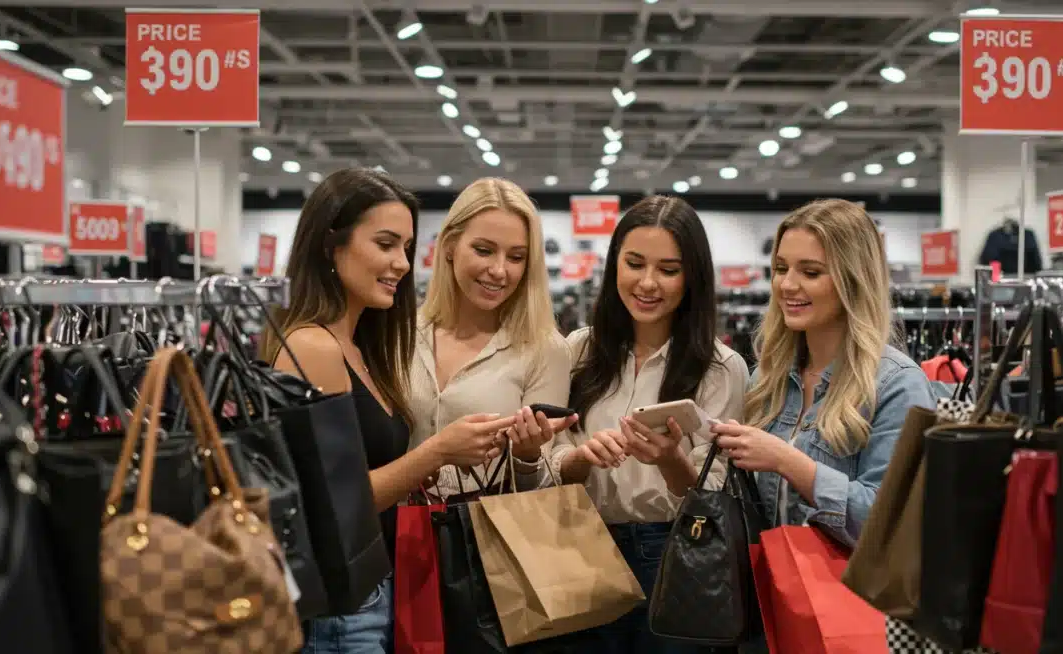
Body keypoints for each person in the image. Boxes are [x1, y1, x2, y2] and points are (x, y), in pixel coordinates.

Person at [262, 168, 517, 654]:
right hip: (340, 609)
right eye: (385, 244)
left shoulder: (359, 348)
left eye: (406, 247)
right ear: (330, 244)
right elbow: (335, 503)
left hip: (373, 590)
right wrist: (438, 452)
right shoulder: (313, 347)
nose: (401, 263)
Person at [546, 195, 749, 654]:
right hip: (579, 544)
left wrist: (671, 460)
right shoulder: (578, 351)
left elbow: (715, 492)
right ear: (614, 264)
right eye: (634, 263)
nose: (647, 283)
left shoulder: (721, 369)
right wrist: (580, 458)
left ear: (692, 276)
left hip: (675, 553)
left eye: (668, 270)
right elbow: (551, 460)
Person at [711, 198, 936, 548]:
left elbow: (891, 524)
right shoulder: (768, 380)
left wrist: (788, 461)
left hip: (844, 583)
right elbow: (747, 513)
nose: (787, 285)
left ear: (853, 280)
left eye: (811, 272)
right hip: (769, 578)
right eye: (781, 268)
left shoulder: (898, 385)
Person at [410, 177, 576, 501]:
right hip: (396, 525)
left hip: (487, 527)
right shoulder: (402, 335)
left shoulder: (545, 349)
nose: (499, 270)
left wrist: (526, 456)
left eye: (516, 257)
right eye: (484, 251)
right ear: (449, 246)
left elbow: (542, 485)